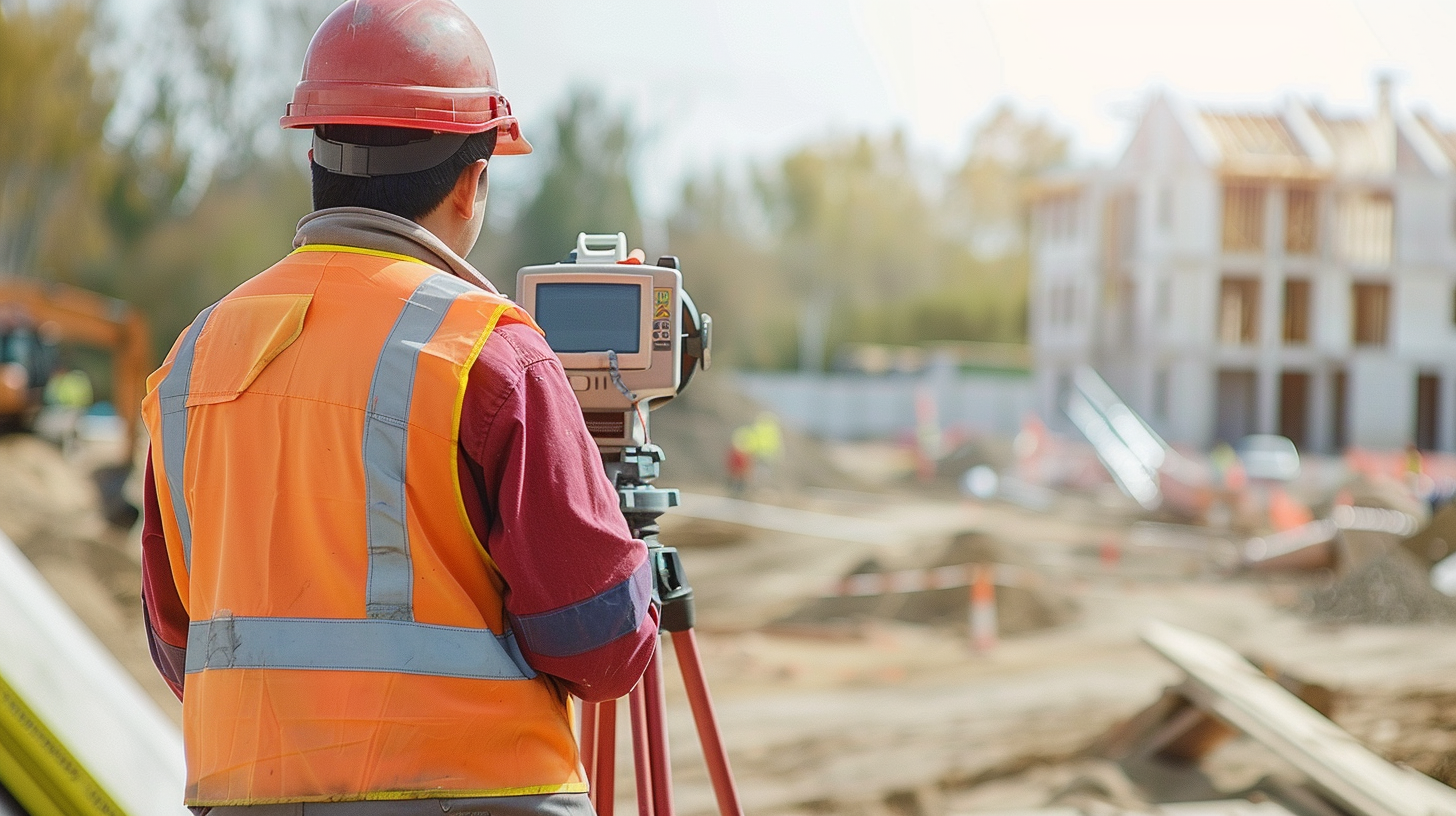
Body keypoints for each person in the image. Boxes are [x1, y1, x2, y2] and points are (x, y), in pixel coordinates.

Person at [138, 2, 659, 814]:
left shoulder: (190, 363)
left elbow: (180, 646)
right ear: (472, 178)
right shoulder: (490, 354)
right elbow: (600, 647)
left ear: (315, 153)